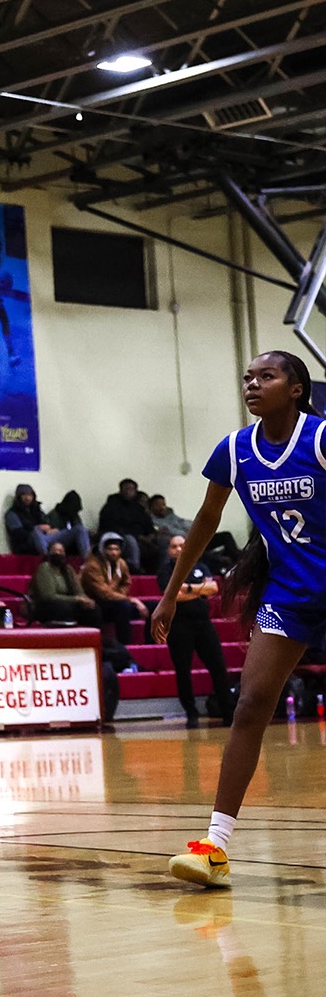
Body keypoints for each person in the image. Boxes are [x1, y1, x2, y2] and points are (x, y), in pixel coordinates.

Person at [159, 350, 326, 889]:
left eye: (267, 376)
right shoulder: (234, 450)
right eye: (248, 377)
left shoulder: (320, 439)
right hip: (290, 591)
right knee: (251, 703)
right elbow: (207, 519)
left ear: (296, 388)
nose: (253, 384)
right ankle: (215, 846)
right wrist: (169, 593)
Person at [157, 533, 230, 726]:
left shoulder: (200, 566)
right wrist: (199, 591)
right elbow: (172, 596)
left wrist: (187, 588)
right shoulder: (165, 570)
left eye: (182, 545)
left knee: (219, 668)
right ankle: (191, 713)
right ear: (169, 550)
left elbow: (214, 587)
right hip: (179, 626)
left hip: (204, 624)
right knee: (183, 671)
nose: (179, 549)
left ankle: (228, 712)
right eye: (174, 546)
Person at [80, 533, 145, 646]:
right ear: (102, 549)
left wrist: (120, 595)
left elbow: (126, 582)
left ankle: (153, 640)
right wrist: (129, 599)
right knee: (123, 607)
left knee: (153, 606)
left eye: (116, 549)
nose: (114, 552)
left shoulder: (121, 563)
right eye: (110, 549)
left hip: (115, 600)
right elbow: (103, 593)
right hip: (96, 603)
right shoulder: (92, 566)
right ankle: (124, 645)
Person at [28, 541, 100, 626]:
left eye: (61, 551)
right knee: (64, 608)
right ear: (48, 553)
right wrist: (76, 599)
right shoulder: (45, 567)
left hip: (67, 604)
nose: (58, 553)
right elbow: (48, 596)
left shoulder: (68, 569)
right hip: (45, 606)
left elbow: (78, 590)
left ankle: (93, 637)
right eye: (55, 550)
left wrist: (85, 600)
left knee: (93, 609)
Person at [6, 484, 88, 556]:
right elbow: (18, 535)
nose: (27, 498)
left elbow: (46, 523)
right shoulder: (12, 514)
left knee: (79, 529)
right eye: (24, 495)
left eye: (30, 495)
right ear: (18, 497)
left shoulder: (36, 509)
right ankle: (48, 560)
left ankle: (87, 561)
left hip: (46, 537)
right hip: (29, 542)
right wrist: (37, 528)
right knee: (36, 534)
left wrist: (51, 530)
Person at [99, 478, 157, 572]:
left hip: (141, 539)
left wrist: (151, 535)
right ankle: (135, 569)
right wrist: (138, 536)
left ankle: (161, 574)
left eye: (131, 489)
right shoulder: (112, 505)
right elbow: (110, 526)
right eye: (126, 488)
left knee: (164, 542)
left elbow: (148, 526)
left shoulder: (139, 508)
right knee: (131, 540)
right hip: (121, 537)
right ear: (121, 490)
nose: (128, 492)